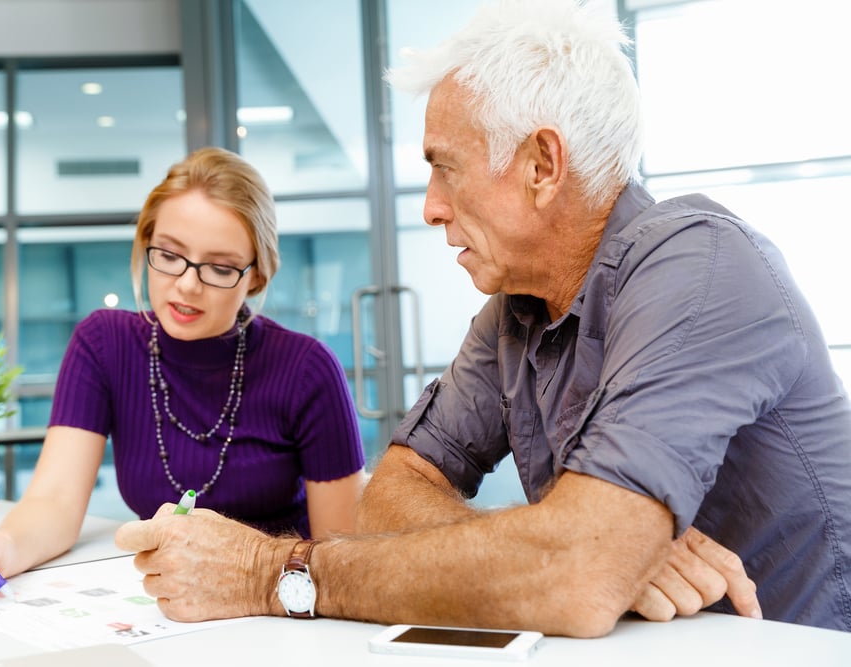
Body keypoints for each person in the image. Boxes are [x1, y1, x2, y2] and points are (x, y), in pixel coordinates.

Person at [114, 0, 851, 637]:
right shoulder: (514, 310)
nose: (432, 206)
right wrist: (570, 547)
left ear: (542, 164)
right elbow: (390, 498)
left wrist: (269, 571)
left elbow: (577, 578)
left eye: (446, 167)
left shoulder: (699, 265)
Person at [0, 147, 367, 603]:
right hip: (165, 602)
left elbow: (344, 553)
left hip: (278, 604)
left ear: (255, 276)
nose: (188, 284)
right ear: (145, 244)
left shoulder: (307, 368)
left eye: (219, 267)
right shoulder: (104, 344)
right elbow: (54, 501)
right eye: (170, 255)